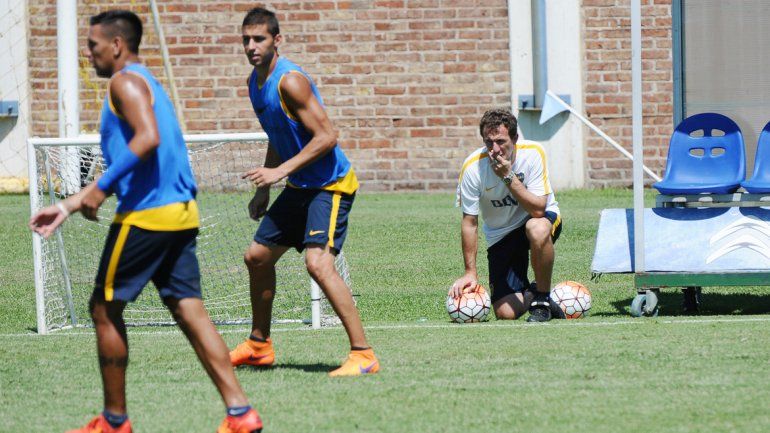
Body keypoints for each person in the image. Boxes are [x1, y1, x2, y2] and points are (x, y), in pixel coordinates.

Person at [29, 10, 262, 433]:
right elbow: (138, 158)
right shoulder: (149, 83)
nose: (89, 53)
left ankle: (115, 421)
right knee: (190, 311)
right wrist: (69, 204)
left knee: (103, 309)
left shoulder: (125, 82)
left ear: (117, 45)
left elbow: (148, 138)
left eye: (93, 46)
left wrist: (98, 188)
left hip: (147, 217)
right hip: (180, 214)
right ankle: (241, 413)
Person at [228, 7, 379, 377]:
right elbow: (280, 133)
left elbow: (327, 137)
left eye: (259, 39)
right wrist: (267, 188)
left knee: (318, 263)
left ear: (276, 40)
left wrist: (278, 171)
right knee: (257, 257)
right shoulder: (254, 83)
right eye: (246, 39)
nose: (251, 46)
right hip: (299, 184)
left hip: (330, 184)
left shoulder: (290, 81)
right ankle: (259, 345)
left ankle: (363, 354)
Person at [450, 108, 563, 322]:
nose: (495, 149)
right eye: (488, 142)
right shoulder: (473, 168)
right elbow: (470, 222)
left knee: (536, 228)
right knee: (505, 313)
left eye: (501, 141)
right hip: (501, 234)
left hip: (537, 219)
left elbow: (538, 209)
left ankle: (542, 300)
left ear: (515, 138)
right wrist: (470, 272)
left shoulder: (533, 153)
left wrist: (508, 177)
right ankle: (538, 291)